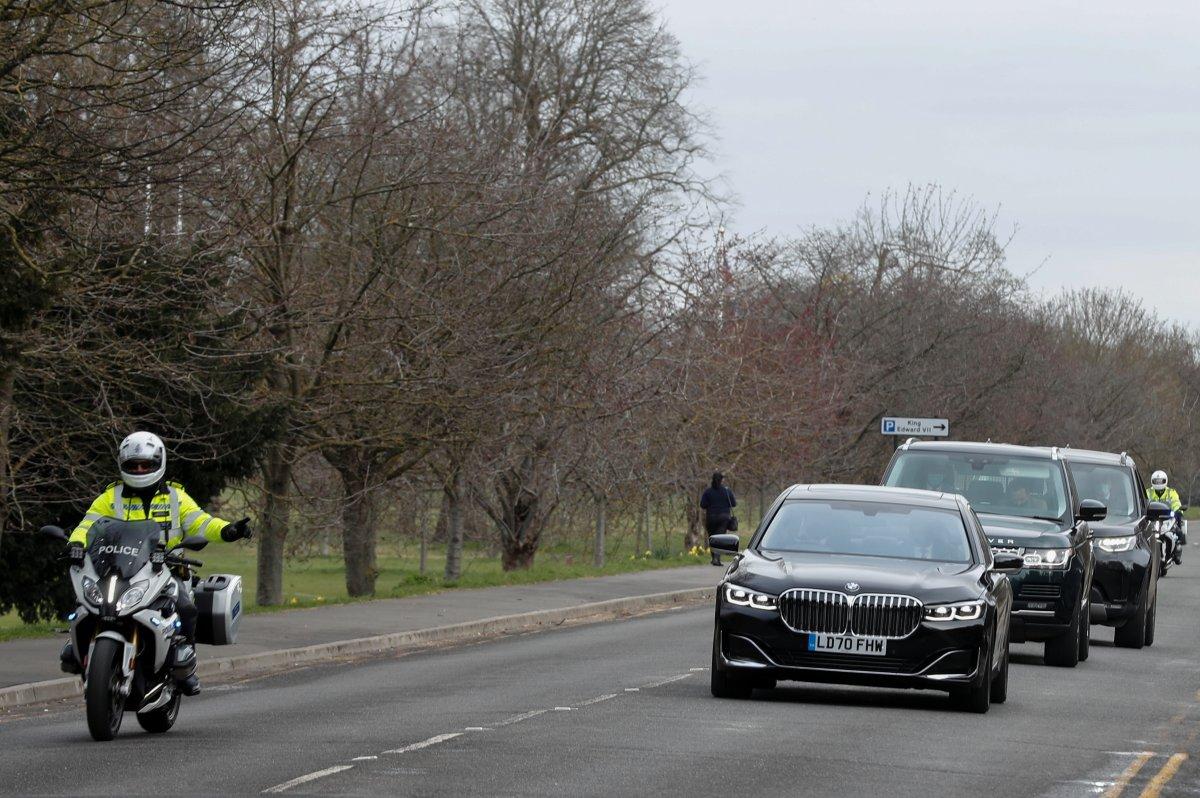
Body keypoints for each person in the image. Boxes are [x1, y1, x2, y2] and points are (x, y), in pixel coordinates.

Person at [66, 431, 252, 695]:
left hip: (166, 569)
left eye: (146, 464)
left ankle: (187, 667)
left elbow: (201, 522)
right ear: (122, 465)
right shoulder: (110, 497)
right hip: (120, 569)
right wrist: (76, 544)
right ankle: (76, 649)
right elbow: (88, 525)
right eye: (133, 465)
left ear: (159, 463)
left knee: (186, 608)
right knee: (84, 601)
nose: (140, 469)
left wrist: (228, 530)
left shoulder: (176, 497)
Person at [700, 472, 737, 564]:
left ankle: (714, 558)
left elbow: (702, 505)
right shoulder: (727, 491)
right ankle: (717, 558)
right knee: (719, 538)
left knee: (712, 537)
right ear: (722, 480)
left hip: (711, 518)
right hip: (723, 518)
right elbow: (733, 504)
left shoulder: (708, 492)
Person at [1147, 469, 1186, 547]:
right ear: (1152, 481)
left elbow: (1176, 502)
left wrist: (1177, 510)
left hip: (1167, 516)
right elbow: (1143, 503)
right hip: (1152, 517)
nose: (1158, 483)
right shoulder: (1148, 492)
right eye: (1156, 481)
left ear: (1165, 481)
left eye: (1161, 481)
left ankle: (1179, 542)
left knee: (1177, 527)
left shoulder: (1171, 492)